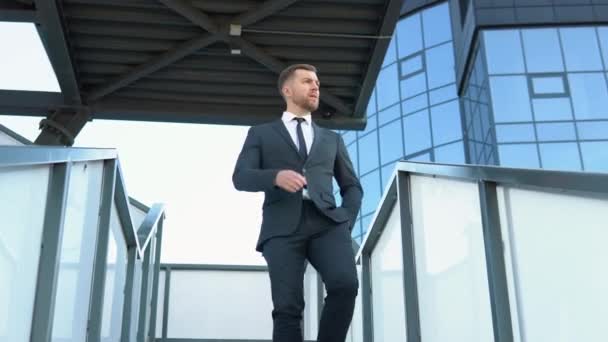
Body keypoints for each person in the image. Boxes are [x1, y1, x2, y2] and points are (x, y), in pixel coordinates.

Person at [232, 64, 363, 342]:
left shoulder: (332, 139)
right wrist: (275, 176)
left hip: (327, 223)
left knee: (345, 285)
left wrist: (345, 219)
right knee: (287, 309)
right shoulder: (261, 133)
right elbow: (240, 177)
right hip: (281, 227)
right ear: (287, 90)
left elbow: (351, 186)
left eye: (317, 82)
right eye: (307, 82)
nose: (316, 87)